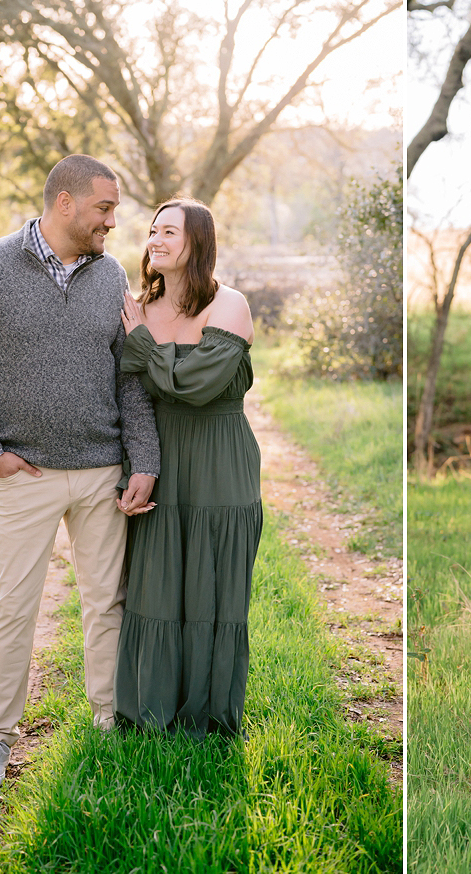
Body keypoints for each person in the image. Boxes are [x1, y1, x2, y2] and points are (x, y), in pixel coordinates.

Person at [0, 155, 160, 791]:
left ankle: (108, 721)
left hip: (101, 474)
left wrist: (143, 460)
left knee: (106, 605)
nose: (113, 222)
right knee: (11, 608)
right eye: (104, 209)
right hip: (22, 477)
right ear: (65, 203)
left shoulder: (109, 273)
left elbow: (130, 378)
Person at [112, 196, 262, 738]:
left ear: (198, 241)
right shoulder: (138, 309)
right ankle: (148, 713)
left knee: (212, 588)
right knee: (155, 585)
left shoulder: (229, 305)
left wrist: (146, 348)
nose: (155, 239)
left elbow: (198, 386)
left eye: (169, 232)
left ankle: (207, 717)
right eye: (152, 231)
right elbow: (129, 391)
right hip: (160, 457)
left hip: (221, 461)